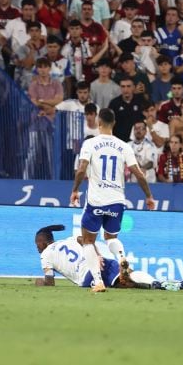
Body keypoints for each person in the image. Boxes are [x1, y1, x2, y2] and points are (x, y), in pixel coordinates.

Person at [70, 108, 156, 293]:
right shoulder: (124, 146)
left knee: (87, 241)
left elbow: (81, 169)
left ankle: (98, 282)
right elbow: (138, 173)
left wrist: (75, 190)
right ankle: (122, 258)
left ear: (99, 123)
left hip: (96, 201)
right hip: (117, 200)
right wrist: (148, 196)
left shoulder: (91, 144)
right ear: (114, 124)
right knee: (111, 237)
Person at [33, 225, 183, 291]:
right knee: (128, 276)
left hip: (87, 277)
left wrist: (38, 282)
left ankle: (160, 285)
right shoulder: (70, 239)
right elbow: (86, 240)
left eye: (37, 244)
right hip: (99, 261)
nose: (37, 248)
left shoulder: (46, 256)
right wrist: (96, 255)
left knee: (126, 283)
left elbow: (50, 282)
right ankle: (160, 283)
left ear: (44, 242)